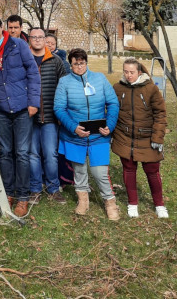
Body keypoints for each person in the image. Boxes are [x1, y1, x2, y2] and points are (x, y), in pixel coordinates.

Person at [0, 13, 40, 217]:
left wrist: (33, 102)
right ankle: (8, 192)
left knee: (21, 153)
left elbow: (32, 73)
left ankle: (22, 197)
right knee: (5, 152)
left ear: (1, 27)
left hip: (22, 108)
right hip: (2, 109)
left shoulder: (17, 46)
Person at [54, 48, 120, 220]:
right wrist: (73, 127)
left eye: (82, 63)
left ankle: (109, 201)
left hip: (99, 135)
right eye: (75, 64)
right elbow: (59, 108)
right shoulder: (65, 82)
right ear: (70, 64)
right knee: (79, 170)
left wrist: (110, 125)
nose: (79, 67)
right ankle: (83, 200)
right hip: (75, 136)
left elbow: (112, 103)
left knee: (99, 172)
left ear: (86, 62)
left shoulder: (99, 79)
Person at [112, 58, 169, 218]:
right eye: (126, 72)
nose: (128, 75)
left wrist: (157, 137)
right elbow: (111, 109)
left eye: (132, 72)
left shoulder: (151, 89)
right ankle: (132, 203)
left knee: (152, 171)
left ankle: (159, 204)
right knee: (129, 170)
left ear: (139, 72)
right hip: (125, 137)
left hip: (147, 138)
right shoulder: (117, 88)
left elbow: (160, 113)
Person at [28, 27, 67, 204]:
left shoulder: (55, 60)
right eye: (33, 37)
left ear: (45, 39)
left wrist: (61, 111)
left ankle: (53, 188)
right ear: (29, 39)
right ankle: (35, 189)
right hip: (29, 117)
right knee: (33, 153)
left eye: (40, 37)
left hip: (50, 116)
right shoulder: (24, 59)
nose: (37, 40)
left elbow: (63, 87)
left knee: (51, 154)